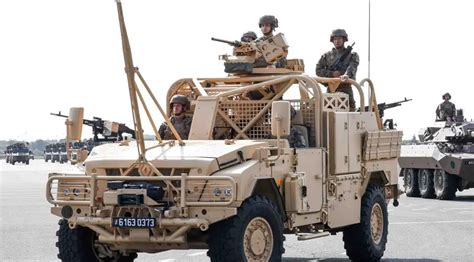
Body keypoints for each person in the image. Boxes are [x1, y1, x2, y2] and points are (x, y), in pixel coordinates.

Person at [316, 29, 359, 111]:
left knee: (351, 111)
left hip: (345, 87)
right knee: (328, 112)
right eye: (335, 39)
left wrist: (346, 75)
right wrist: (332, 73)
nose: (337, 41)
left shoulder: (352, 55)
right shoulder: (326, 56)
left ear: (344, 39)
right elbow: (318, 70)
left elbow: (352, 67)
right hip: (331, 89)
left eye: (339, 39)